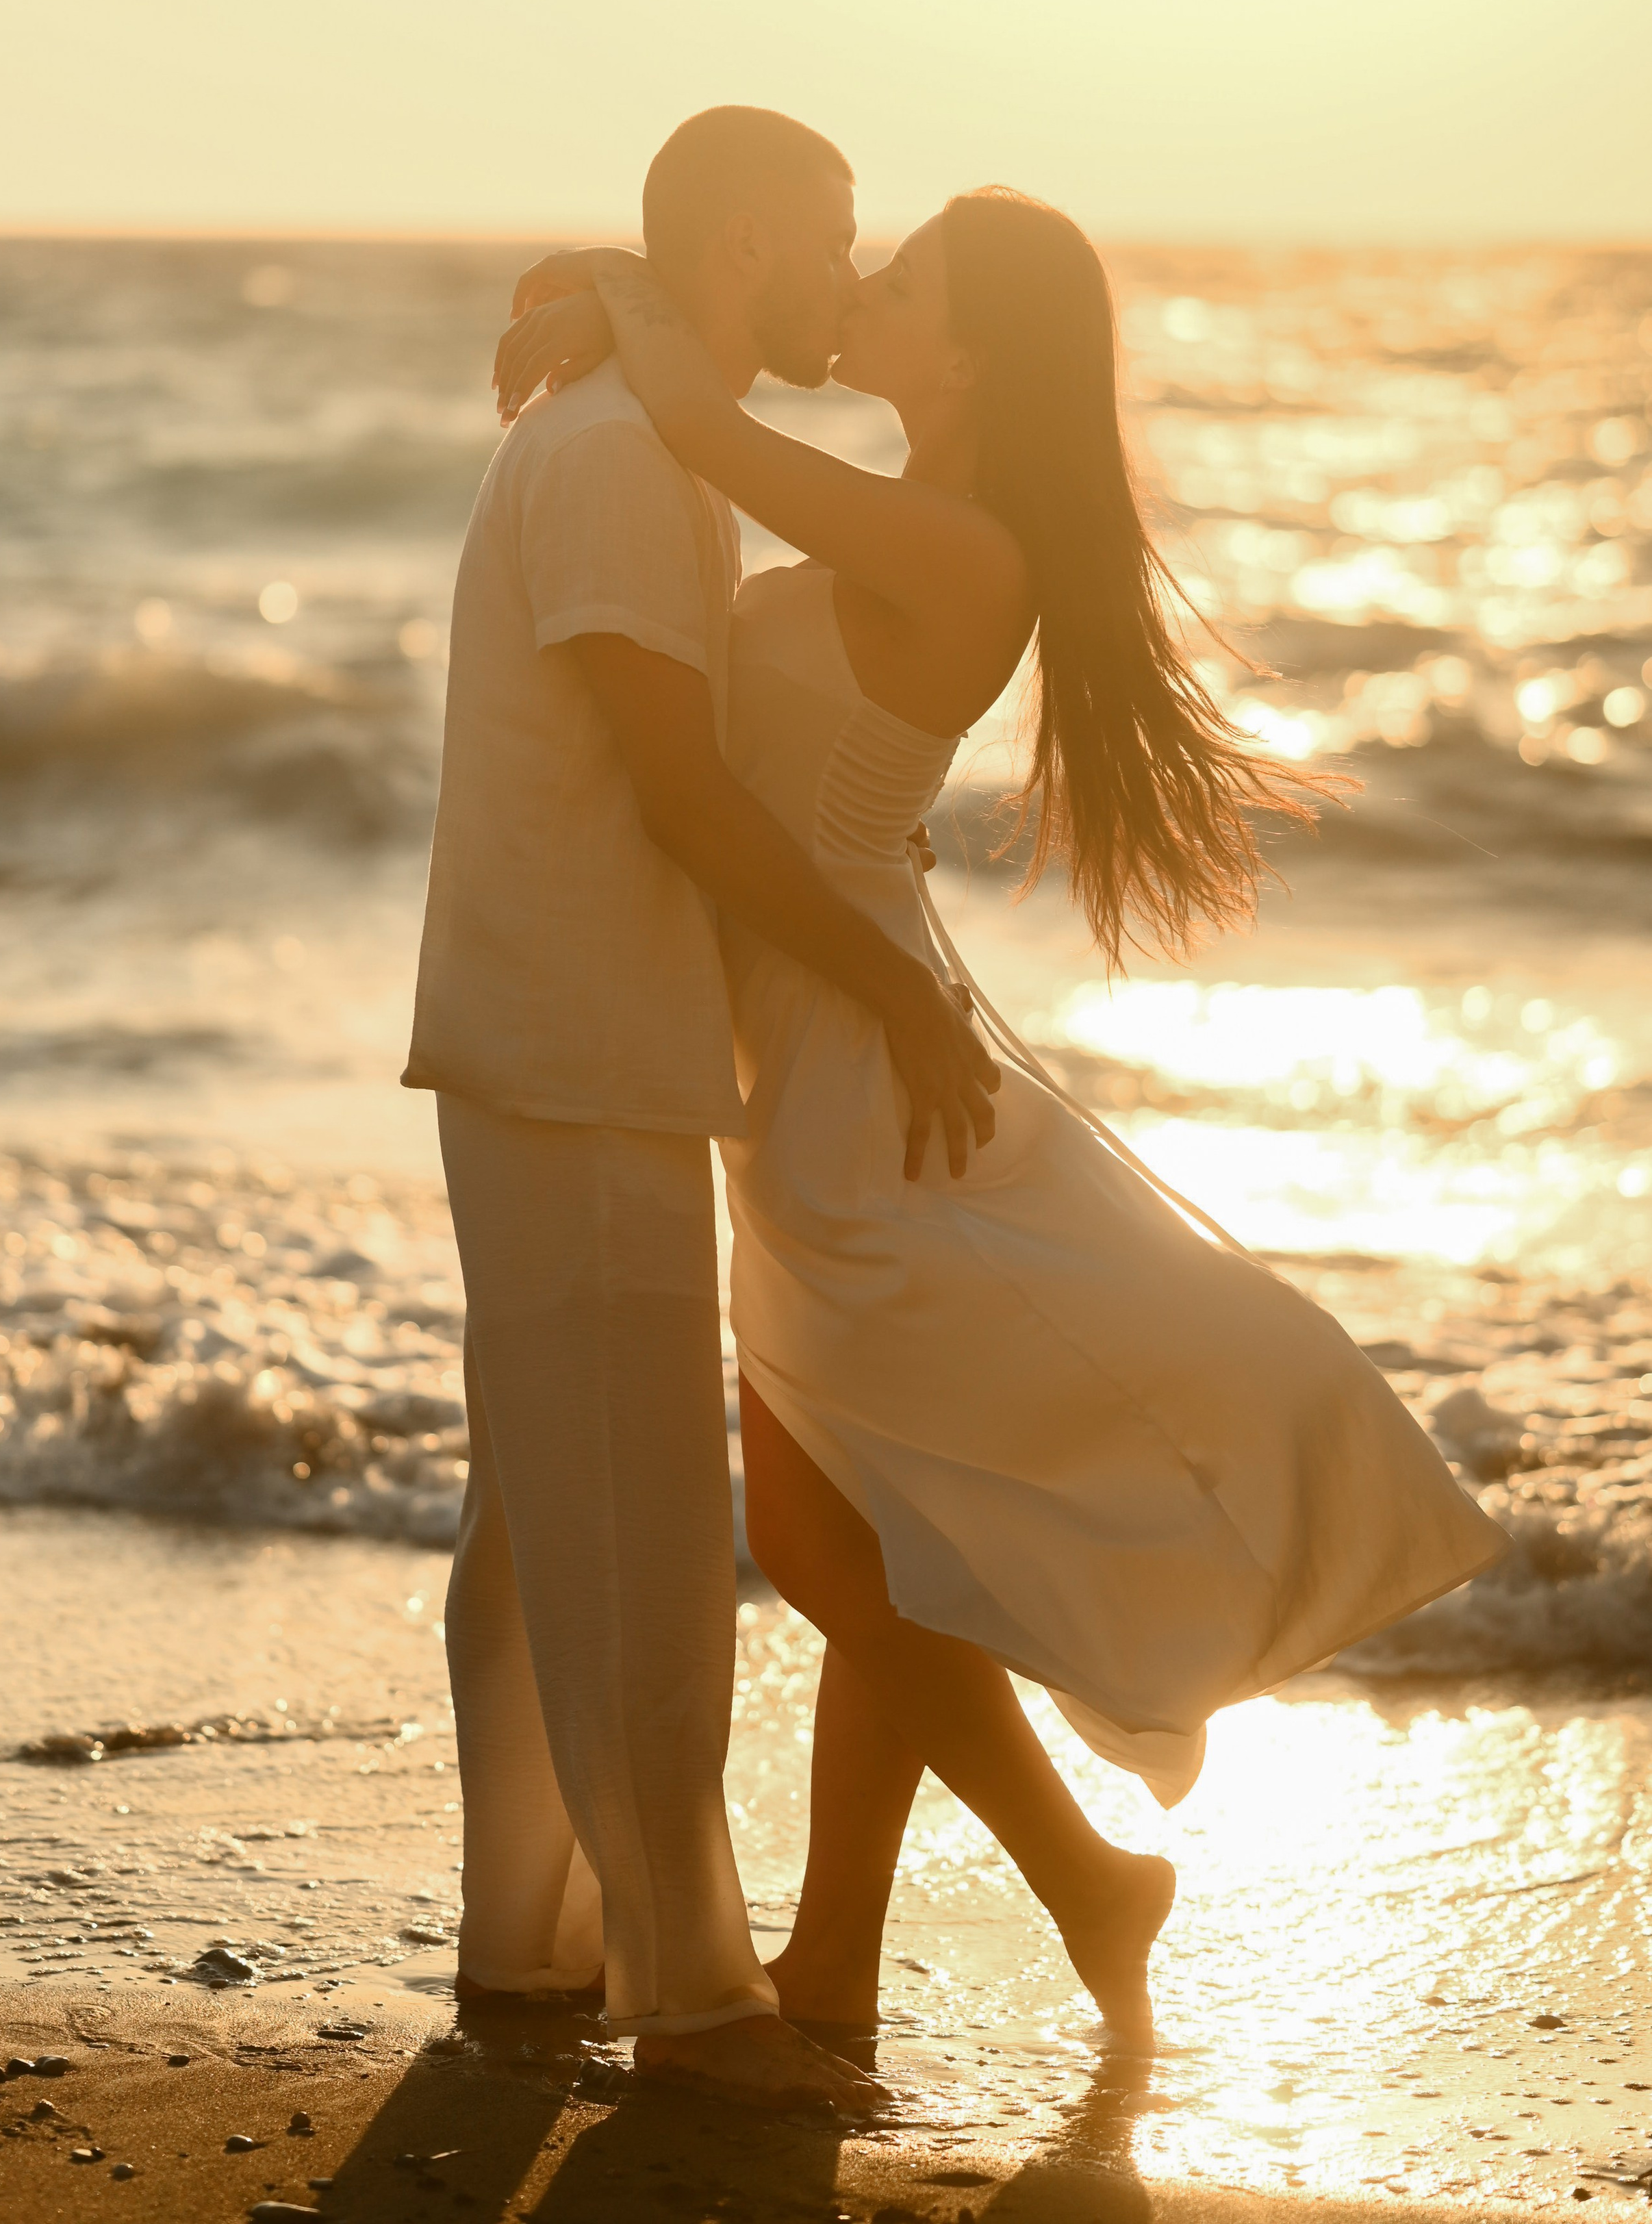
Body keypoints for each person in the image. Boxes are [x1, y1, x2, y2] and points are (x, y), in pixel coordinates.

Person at [493, 186, 1509, 2051]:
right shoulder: (923, 521)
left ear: (966, 351)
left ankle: (1059, 1882)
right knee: (878, 1533)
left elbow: (706, 429)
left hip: (862, 1056)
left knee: (829, 1545)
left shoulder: (971, 554)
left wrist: (613, 287)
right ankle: (882, 1959)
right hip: (822, 1030)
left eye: (903, 278)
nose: (863, 286)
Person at [402, 109, 996, 2111]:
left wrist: (609, 290)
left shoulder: (628, 440)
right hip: (577, 1052)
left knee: (538, 1522)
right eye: (836, 238)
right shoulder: (618, 462)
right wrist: (890, 985)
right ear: (748, 244)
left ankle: (526, 1951)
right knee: (642, 1531)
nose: (855, 271)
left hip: (567, 1041)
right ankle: (704, 2008)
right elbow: (682, 793)